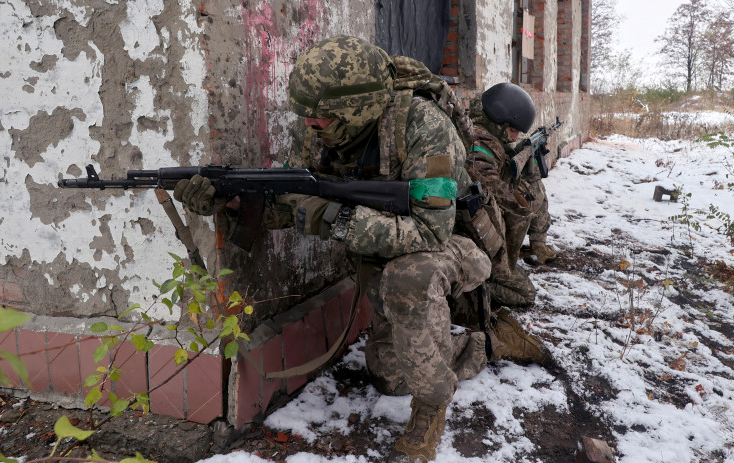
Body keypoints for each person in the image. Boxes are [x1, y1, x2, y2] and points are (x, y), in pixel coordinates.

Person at [174, 37, 551, 462]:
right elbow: (302, 201)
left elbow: (431, 232)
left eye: (322, 118)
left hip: (456, 244)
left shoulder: (425, 127)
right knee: (390, 376)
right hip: (387, 254)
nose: (310, 125)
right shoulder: (324, 133)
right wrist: (233, 201)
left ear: (358, 109)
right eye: (307, 115)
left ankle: (430, 408)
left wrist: (335, 218)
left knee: (410, 275)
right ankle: (493, 343)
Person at [465, 83, 555, 310]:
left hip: (485, 231)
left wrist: (527, 161)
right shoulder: (479, 147)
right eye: (513, 130)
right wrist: (517, 178)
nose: (514, 137)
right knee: (524, 293)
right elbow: (496, 189)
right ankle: (471, 290)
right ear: (499, 121)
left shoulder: (486, 135)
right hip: (475, 236)